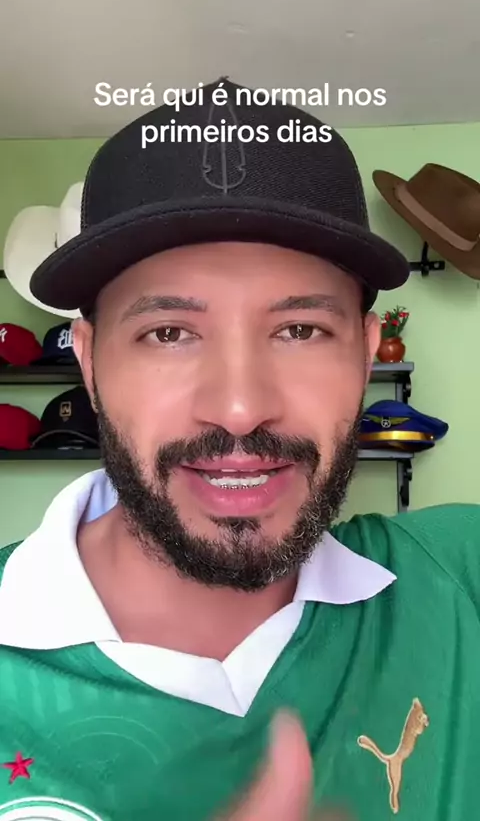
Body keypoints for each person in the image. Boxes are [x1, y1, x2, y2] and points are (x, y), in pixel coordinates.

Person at [0, 80, 478, 821]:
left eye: (299, 330)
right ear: (90, 362)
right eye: (168, 333)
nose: (240, 407)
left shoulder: (461, 579)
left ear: (365, 352)